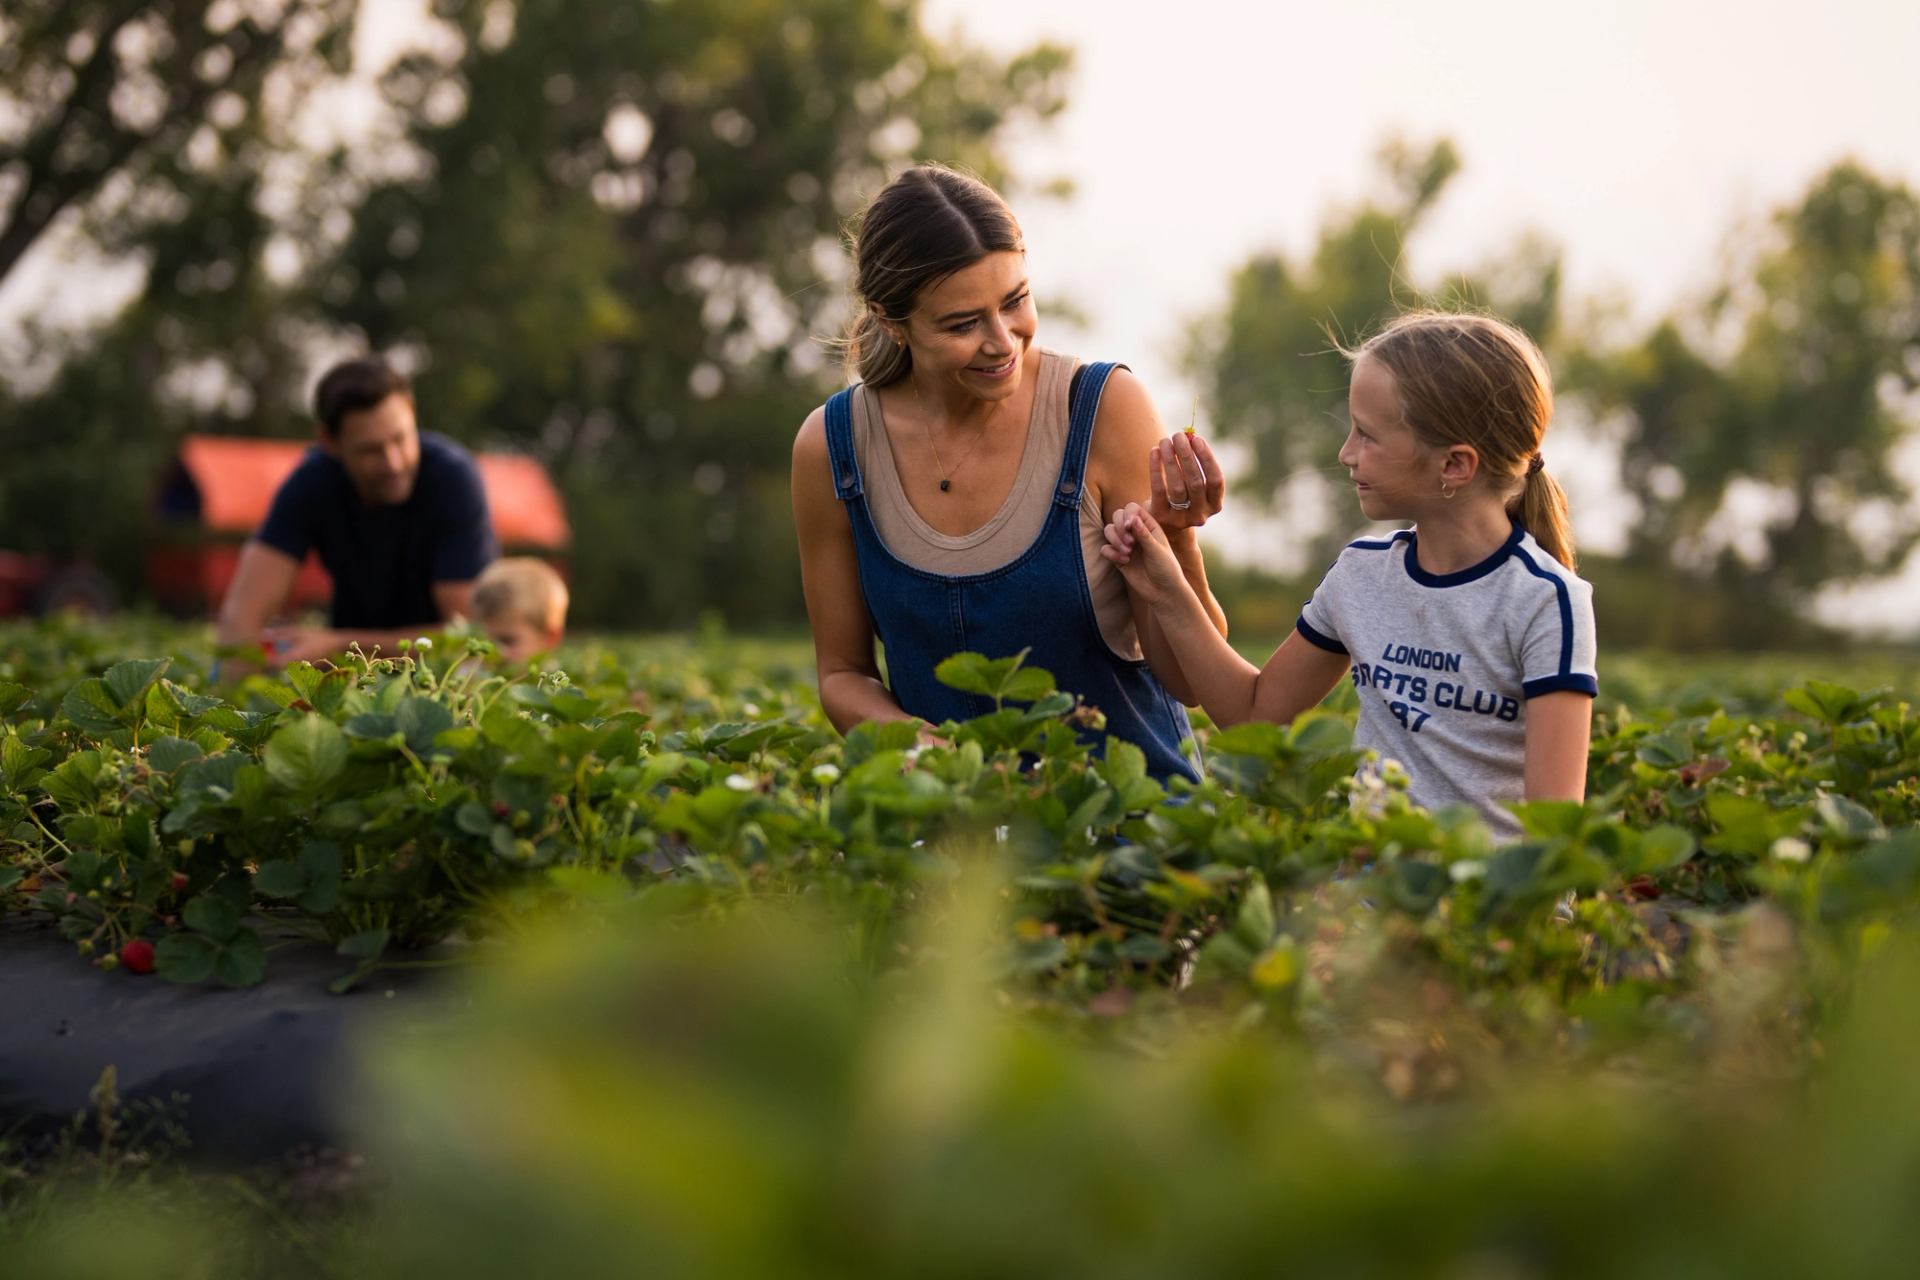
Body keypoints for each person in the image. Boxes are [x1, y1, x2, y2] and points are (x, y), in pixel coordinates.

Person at [791, 163, 1229, 781]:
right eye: (963, 324)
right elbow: (843, 674)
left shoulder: (1103, 409)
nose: (1003, 342)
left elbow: (1187, 681)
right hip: (954, 832)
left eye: (1016, 301)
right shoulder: (832, 448)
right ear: (892, 321)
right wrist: (932, 757)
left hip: (1134, 825)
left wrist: (1179, 536)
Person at [1101, 310, 1596, 837]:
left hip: (1484, 913)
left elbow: (1553, 837)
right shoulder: (1362, 574)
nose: (1345, 454)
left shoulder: (1545, 601)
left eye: (1367, 435)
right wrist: (1168, 592)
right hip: (1365, 902)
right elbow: (1255, 716)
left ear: (1455, 465)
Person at [215, 356, 497, 666]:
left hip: (439, 677)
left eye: (400, 439)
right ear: (330, 442)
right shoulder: (310, 483)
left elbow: (464, 637)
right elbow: (241, 616)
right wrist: (227, 700)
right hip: (352, 675)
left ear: (413, 415)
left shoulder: (453, 479)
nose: (394, 462)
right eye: (370, 450)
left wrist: (339, 645)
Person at [469, 556, 569, 663]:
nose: (492, 653)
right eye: (482, 641)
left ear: (550, 638)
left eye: (506, 641)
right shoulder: (471, 674)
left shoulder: (557, 678)